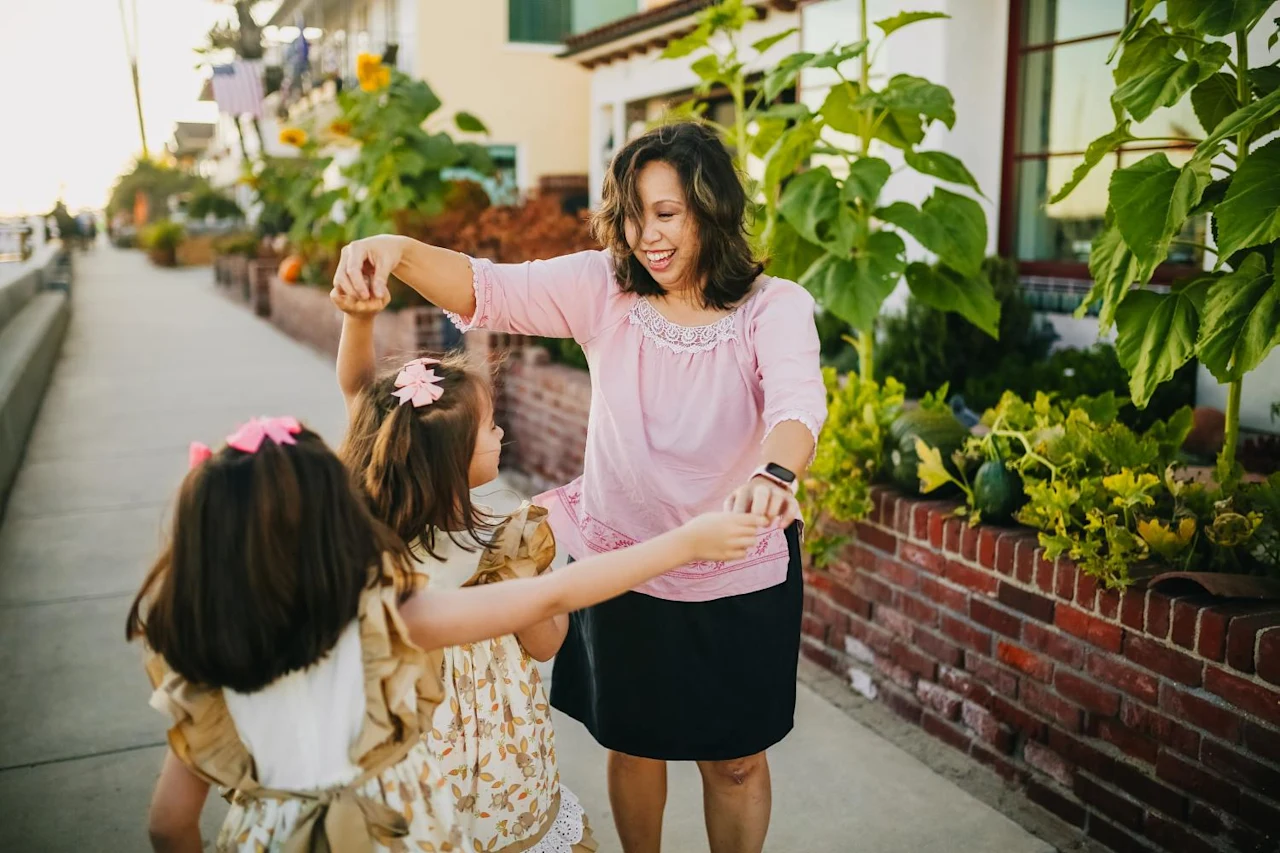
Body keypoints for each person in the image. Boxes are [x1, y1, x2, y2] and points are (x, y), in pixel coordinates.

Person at [331, 121, 827, 853]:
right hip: (619, 562)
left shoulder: (772, 305)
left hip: (737, 566)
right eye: (633, 215)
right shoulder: (604, 286)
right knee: (635, 745)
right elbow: (486, 287)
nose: (646, 236)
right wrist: (394, 250)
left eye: (667, 213)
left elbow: (796, 405)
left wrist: (774, 473)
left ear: (711, 208)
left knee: (736, 762)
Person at [126, 415, 764, 852]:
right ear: (329, 530)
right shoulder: (383, 620)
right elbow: (554, 593)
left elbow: (168, 824)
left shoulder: (204, 660)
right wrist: (685, 542)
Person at [332, 289, 595, 853]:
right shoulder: (512, 540)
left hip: (409, 756)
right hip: (501, 759)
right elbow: (546, 644)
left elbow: (360, 397)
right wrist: (551, 589)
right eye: (491, 427)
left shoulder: (373, 532)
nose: (501, 433)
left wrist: (358, 321)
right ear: (453, 461)